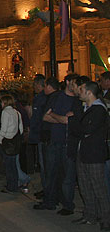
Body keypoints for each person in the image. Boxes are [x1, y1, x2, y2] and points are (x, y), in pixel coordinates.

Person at [35, 74, 80, 214]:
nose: (75, 86)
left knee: (68, 176)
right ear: (67, 83)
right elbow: (46, 116)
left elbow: (71, 122)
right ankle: (50, 201)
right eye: (73, 82)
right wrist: (60, 118)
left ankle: (67, 204)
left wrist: (56, 117)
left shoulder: (77, 100)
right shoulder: (57, 97)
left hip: (68, 142)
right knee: (51, 173)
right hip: (54, 140)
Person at [70, 81, 110, 230]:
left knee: (99, 188)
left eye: (81, 89)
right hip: (84, 152)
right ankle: (90, 214)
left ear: (89, 92)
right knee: (85, 186)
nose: (79, 92)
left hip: (94, 154)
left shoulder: (99, 110)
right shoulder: (86, 108)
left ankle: (106, 218)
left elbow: (86, 129)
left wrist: (74, 122)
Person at [0, 94, 23, 194]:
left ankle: (10, 186)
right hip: (15, 141)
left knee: (8, 166)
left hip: (7, 141)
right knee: (13, 165)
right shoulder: (17, 112)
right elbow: (20, 128)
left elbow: (4, 128)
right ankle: (15, 184)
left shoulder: (5, 112)